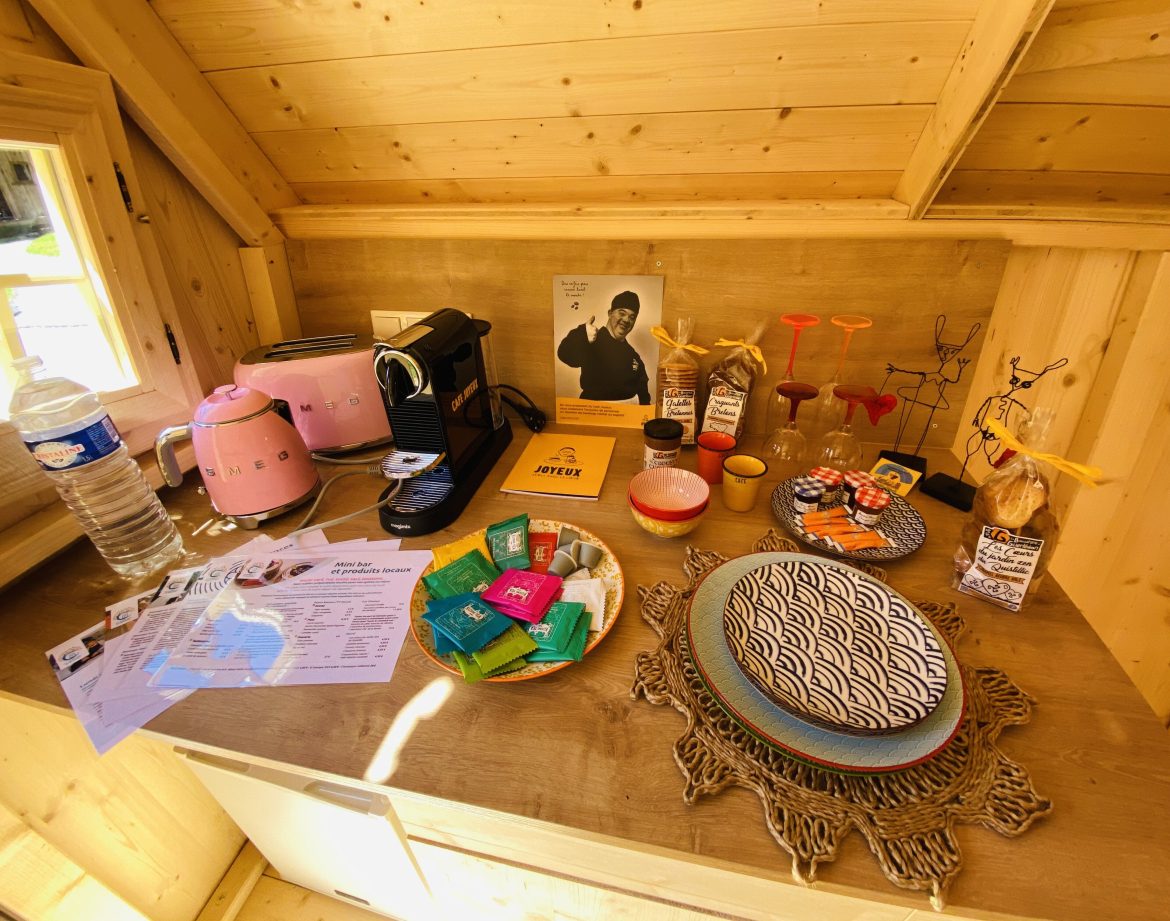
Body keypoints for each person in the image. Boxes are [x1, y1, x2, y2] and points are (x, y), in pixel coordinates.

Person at [557, 290, 651, 404]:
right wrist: (583, 333)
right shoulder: (591, 340)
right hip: (593, 412)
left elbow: (644, 396)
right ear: (610, 313)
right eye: (622, 313)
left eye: (632, 317)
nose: (626, 320)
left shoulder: (633, 356)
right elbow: (565, 354)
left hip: (625, 413)